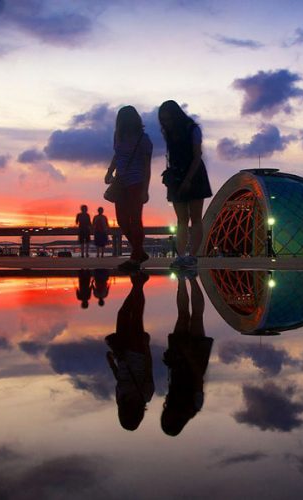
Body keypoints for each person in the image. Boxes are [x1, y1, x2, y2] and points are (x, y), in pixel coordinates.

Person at [158, 100, 212, 269]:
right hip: (177, 175)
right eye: (164, 120)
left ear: (176, 116)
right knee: (181, 219)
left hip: (194, 174)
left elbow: (197, 156)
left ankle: (193, 256)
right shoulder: (170, 131)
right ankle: (181, 256)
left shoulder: (192, 129)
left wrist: (188, 179)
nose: (166, 123)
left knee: (195, 217)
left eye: (168, 119)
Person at [161, 272, 213, 436]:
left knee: (184, 316)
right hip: (192, 358)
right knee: (195, 317)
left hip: (179, 360)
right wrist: (188, 354)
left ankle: (182, 279)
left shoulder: (177, 405)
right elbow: (198, 377)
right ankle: (190, 278)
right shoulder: (194, 406)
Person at [105, 106, 152, 272]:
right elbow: (117, 155)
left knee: (135, 219)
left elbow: (147, 166)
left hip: (136, 183)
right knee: (122, 220)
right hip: (121, 182)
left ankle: (135, 258)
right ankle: (139, 252)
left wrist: (145, 189)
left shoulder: (143, 139)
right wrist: (110, 171)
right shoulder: (119, 136)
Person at [105, 271, 154, 431]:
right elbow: (148, 369)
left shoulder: (122, 399)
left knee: (124, 314)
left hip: (123, 353)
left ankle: (137, 284)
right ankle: (138, 284)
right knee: (136, 317)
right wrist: (146, 346)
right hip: (137, 353)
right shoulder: (145, 396)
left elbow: (119, 378)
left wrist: (112, 363)